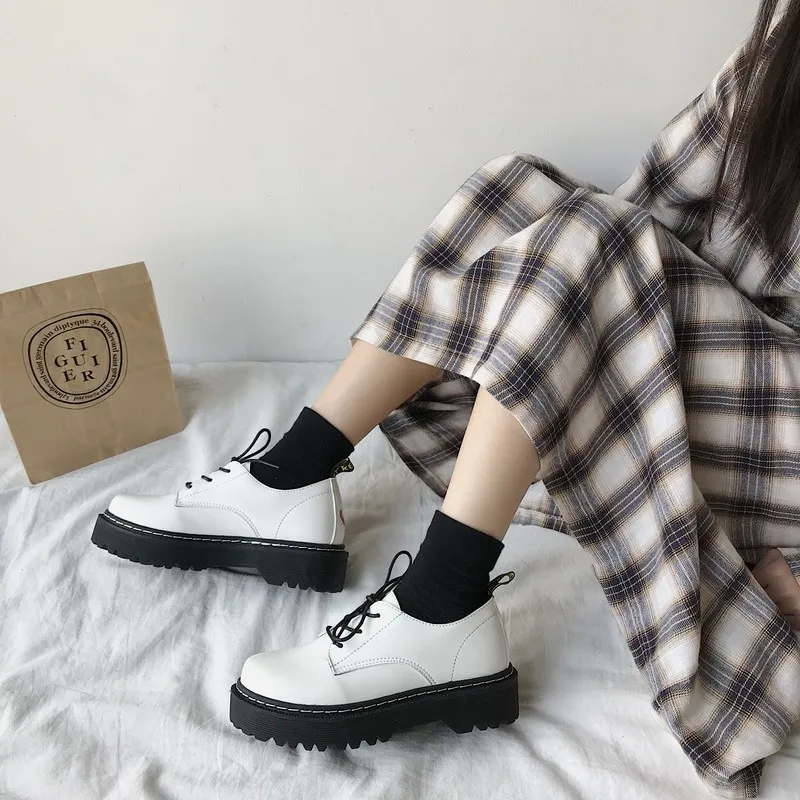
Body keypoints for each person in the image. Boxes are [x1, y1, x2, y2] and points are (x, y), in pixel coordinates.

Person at [91, 1, 800, 796]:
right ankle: (291, 479)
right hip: (741, 372)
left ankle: (441, 607)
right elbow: (666, 198)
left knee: (594, 242)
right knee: (519, 194)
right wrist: (550, 266)